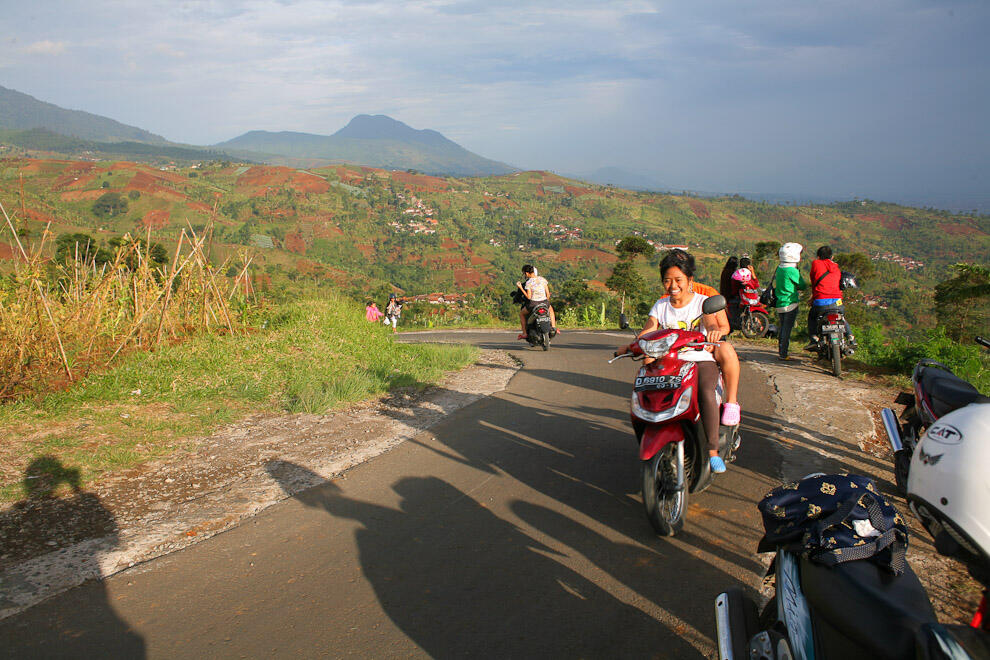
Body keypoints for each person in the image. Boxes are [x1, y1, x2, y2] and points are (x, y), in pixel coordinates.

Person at [637, 249, 739, 473]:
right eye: (667, 280)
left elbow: (712, 325)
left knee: (705, 392)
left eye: (678, 280)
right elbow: (649, 328)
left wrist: (712, 333)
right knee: (646, 387)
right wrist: (637, 342)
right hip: (670, 362)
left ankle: (712, 451)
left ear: (689, 280)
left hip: (699, 360)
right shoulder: (660, 306)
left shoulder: (702, 302)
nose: (672, 285)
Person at [805, 246, 855, 350]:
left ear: (818, 256)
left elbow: (814, 283)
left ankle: (814, 339)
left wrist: (813, 298)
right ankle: (850, 337)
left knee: (812, 317)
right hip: (837, 302)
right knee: (841, 317)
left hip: (820, 302)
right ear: (832, 256)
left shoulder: (816, 264)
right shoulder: (836, 266)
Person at [774, 242, 807, 360]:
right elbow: (802, 285)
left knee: (783, 328)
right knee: (787, 329)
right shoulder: (791, 270)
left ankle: (781, 351)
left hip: (780, 302)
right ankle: (783, 354)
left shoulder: (779, 268)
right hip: (790, 302)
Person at [516, 265, 558, 339]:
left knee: (522, 314)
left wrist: (521, 288)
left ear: (526, 273)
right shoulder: (542, 279)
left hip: (533, 304)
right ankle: (554, 327)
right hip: (544, 302)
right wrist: (545, 300)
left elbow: (529, 297)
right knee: (551, 310)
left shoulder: (528, 283)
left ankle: (524, 333)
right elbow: (548, 294)